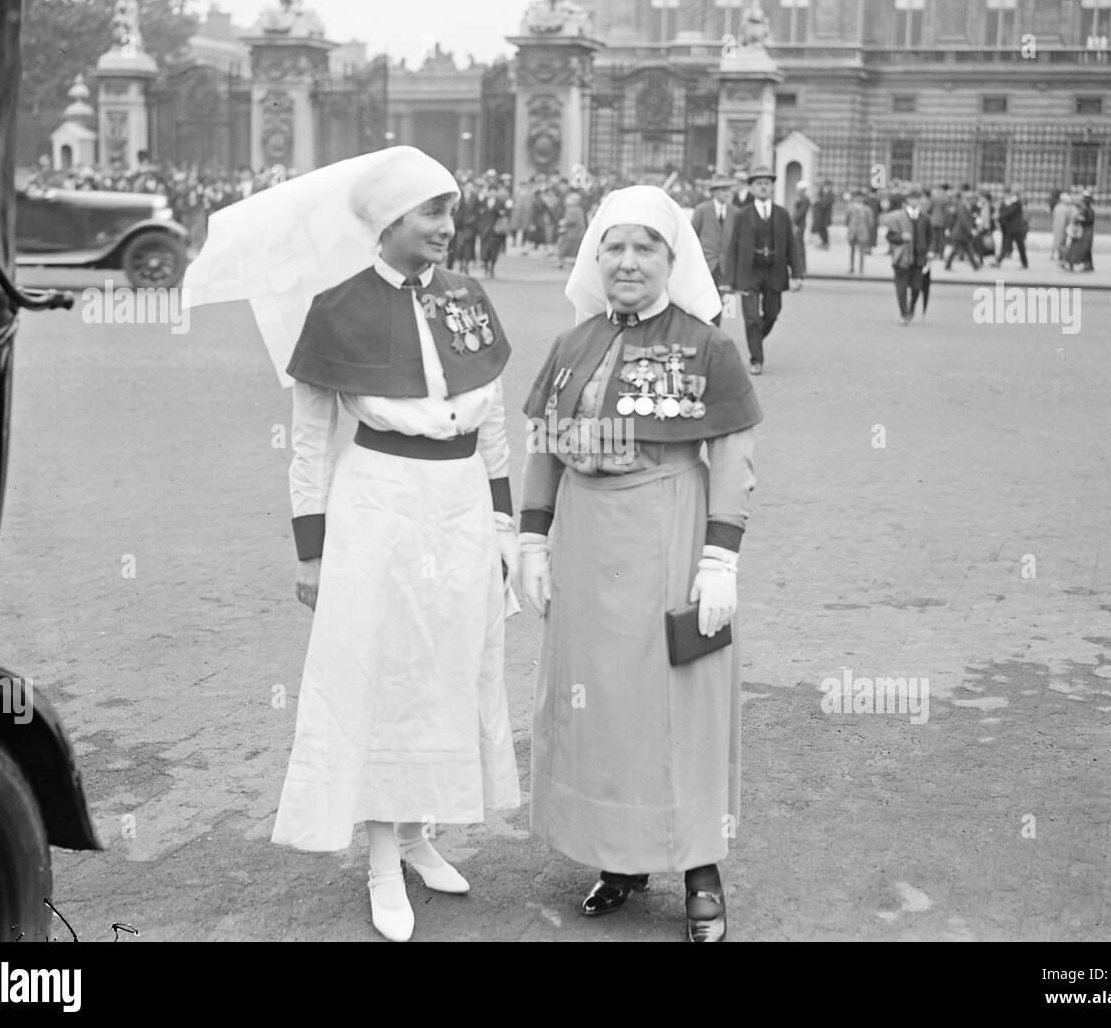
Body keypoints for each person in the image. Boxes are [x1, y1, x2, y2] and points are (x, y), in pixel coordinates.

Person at [183, 147, 522, 943]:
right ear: (387, 221)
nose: (447, 226)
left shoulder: (469, 295)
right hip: (380, 506)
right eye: (431, 212)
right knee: (383, 670)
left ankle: (416, 833)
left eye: (450, 209)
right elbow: (309, 443)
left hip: (461, 503)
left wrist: (504, 524)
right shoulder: (336, 307)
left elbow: (497, 423)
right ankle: (378, 859)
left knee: (446, 664)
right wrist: (312, 550)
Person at [518, 185, 761, 943]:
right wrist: (532, 538)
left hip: (669, 532)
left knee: (678, 702)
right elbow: (543, 448)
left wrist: (720, 558)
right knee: (600, 704)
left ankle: (699, 869)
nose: (628, 262)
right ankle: (618, 857)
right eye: (614, 247)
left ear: (672, 258)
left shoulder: (709, 344)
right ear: (597, 257)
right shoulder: (573, 342)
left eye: (645, 248)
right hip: (588, 543)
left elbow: (732, 455)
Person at [721, 167, 803, 375]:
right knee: (751, 318)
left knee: (772, 314)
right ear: (752, 188)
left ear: (772, 187)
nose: (763, 187)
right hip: (749, 273)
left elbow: (792, 246)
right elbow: (733, 248)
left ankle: (755, 339)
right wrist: (728, 279)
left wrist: (797, 275)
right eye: (759, 183)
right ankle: (756, 358)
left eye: (767, 183)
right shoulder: (743, 215)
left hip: (774, 272)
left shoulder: (782, 214)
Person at [882, 185, 933, 323]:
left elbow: (930, 237)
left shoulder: (925, 218)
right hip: (902, 258)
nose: (914, 202)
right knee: (902, 288)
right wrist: (900, 238)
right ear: (907, 201)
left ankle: (911, 307)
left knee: (917, 287)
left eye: (917, 199)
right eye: (912, 199)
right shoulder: (898, 217)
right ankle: (904, 314)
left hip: (919, 258)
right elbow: (890, 236)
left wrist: (930, 251)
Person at [689, 174, 739, 287]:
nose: (727, 193)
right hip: (706, 264)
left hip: (726, 266)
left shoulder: (735, 212)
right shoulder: (702, 210)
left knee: (726, 300)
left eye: (729, 189)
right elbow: (692, 236)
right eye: (723, 190)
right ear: (714, 192)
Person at [944, 193, 981, 271]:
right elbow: (963, 220)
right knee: (957, 250)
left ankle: (975, 266)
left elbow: (968, 220)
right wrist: (971, 230)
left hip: (963, 234)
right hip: (959, 233)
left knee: (967, 250)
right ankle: (975, 266)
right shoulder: (962, 207)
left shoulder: (967, 207)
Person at [995, 188, 1029, 268]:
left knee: (1020, 247)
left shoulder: (1016, 204)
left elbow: (1009, 212)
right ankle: (999, 261)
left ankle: (1025, 263)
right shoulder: (1014, 204)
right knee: (1007, 245)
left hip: (1016, 229)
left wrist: (1000, 216)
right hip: (1012, 229)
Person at [1062, 191, 1094, 272]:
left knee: (1083, 248)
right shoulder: (1083, 209)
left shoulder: (1089, 210)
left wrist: (1081, 219)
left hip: (1086, 231)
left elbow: (1089, 220)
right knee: (1081, 248)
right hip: (1081, 231)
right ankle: (1084, 264)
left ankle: (1086, 264)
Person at [555, 191, 587, 268]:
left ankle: (560, 262)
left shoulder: (571, 209)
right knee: (576, 249)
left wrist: (563, 223)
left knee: (563, 247)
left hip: (571, 233)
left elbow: (571, 221)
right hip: (579, 232)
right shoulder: (579, 209)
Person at [845, 190, 873, 275]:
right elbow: (847, 220)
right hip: (853, 232)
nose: (859, 199)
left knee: (862, 251)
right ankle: (852, 267)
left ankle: (861, 268)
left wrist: (866, 229)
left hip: (862, 232)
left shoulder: (867, 209)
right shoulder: (850, 208)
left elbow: (870, 222)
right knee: (852, 251)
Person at [1050, 190, 1074, 264]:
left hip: (1057, 226)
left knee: (1057, 241)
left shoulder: (1057, 207)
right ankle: (1062, 256)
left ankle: (1054, 254)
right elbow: (1068, 218)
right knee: (1061, 242)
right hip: (1062, 227)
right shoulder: (1065, 208)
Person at [811, 182, 834, 248]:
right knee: (819, 229)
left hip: (825, 216)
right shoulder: (821, 193)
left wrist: (819, 202)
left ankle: (825, 243)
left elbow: (827, 204)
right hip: (820, 215)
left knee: (823, 229)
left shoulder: (830, 195)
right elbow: (816, 203)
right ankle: (823, 243)